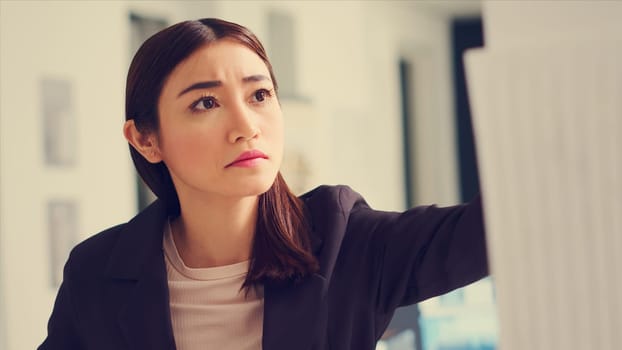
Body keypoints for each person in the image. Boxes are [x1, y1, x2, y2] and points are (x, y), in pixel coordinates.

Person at [39, 18, 488, 350]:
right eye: (206, 102)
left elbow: (495, 227)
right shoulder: (96, 273)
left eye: (259, 95)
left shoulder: (346, 239)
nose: (246, 126)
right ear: (146, 139)